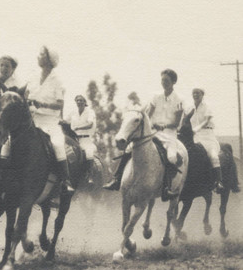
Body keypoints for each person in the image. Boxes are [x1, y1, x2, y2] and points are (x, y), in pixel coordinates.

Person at [0, 46, 74, 192]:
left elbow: (60, 104)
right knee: (7, 143)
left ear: (49, 59)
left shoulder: (57, 80)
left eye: (41, 54)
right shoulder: (32, 77)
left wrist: (43, 104)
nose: (38, 56)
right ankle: (1, 177)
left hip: (49, 123)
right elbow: (24, 94)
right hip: (32, 120)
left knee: (57, 144)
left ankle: (65, 181)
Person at [104, 69, 184, 199]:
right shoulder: (155, 96)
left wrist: (163, 125)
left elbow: (176, 123)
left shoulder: (179, 99)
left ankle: (166, 188)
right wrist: (149, 124)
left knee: (172, 157)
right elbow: (148, 115)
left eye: (167, 81)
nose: (164, 83)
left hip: (169, 135)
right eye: (162, 80)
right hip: (153, 133)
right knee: (129, 149)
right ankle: (116, 179)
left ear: (174, 82)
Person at [189, 88, 224, 192]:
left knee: (213, 155)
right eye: (193, 93)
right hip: (194, 136)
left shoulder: (207, 106)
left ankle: (219, 181)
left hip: (207, 136)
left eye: (197, 93)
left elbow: (206, 120)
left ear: (202, 94)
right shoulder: (189, 108)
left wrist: (197, 128)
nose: (195, 95)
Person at [68, 95, 97, 162]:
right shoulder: (73, 112)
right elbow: (66, 121)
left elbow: (90, 124)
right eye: (77, 100)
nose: (79, 102)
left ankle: (90, 171)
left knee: (89, 154)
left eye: (81, 100)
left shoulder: (90, 111)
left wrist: (78, 127)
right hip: (74, 140)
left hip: (86, 140)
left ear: (85, 102)